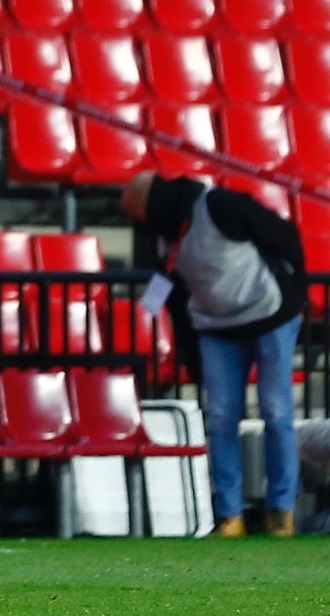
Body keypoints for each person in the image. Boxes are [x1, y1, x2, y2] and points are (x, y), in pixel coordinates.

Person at [120, 172, 305, 539]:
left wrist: (297, 293)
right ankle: (229, 515)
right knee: (220, 418)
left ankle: (281, 510)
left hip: (270, 312)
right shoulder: (157, 238)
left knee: (277, 410)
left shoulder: (218, 205)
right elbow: (167, 295)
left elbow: (284, 234)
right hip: (215, 327)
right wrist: (191, 358)